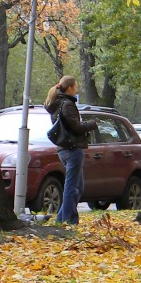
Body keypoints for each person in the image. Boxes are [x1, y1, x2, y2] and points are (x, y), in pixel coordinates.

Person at [44, 76, 97, 225]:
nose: (76, 90)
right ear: (69, 88)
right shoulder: (67, 104)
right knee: (72, 187)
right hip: (72, 148)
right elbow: (76, 126)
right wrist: (92, 124)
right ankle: (69, 220)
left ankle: (61, 218)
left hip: (64, 148)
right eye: (75, 87)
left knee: (78, 186)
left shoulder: (57, 103)